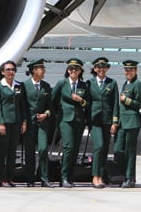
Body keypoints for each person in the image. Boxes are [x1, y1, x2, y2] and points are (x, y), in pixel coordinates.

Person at [52, 58, 91, 188]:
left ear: (80, 71)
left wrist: (80, 100)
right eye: (71, 69)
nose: (74, 71)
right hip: (65, 119)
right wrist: (57, 114)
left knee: (75, 149)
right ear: (68, 70)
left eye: (77, 69)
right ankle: (63, 177)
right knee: (68, 146)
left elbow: (88, 103)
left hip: (79, 120)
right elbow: (53, 99)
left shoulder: (84, 85)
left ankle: (70, 176)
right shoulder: (62, 83)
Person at [0, 60, 27, 187]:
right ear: (2, 72)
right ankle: (2, 178)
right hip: (4, 122)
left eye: (12, 69)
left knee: (12, 151)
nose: (10, 72)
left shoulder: (18, 85)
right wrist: (0, 123)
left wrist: (24, 121)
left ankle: (10, 177)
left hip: (16, 121)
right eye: (8, 70)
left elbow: (22, 105)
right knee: (3, 151)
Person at [21, 59, 55, 187]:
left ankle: (44, 177)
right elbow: (22, 105)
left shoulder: (46, 86)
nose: (44, 70)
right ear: (34, 71)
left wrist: (46, 114)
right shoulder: (24, 85)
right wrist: (24, 121)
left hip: (42, 122)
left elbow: (50, 106)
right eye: (41, 68)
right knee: (29, 150)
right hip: (29, 122)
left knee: (43, 149)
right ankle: (30, 178)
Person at [88, 57, 119, 188]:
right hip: (94, 120)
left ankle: (101, 176)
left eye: (104, 67)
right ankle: (95, 176)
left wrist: (115, 122)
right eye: (98, 67)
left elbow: (116, 103)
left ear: (107, 68)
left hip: (107, 120)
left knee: (105, 149)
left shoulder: (112, 83)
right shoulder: (90, 83)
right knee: (99, 146)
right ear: (95, 69)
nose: (101, 69)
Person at [113, 60, 141, 188]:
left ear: (136, 70)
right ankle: (123, 174)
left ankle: (130, 178)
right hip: (122, 122)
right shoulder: (126, 84)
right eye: (126, 70)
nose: (128, 72)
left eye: (131, 70)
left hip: (132, 122)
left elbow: (139, 103)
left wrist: (126, 100)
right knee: (118, 149)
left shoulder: (137, 84)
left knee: (130, 151)